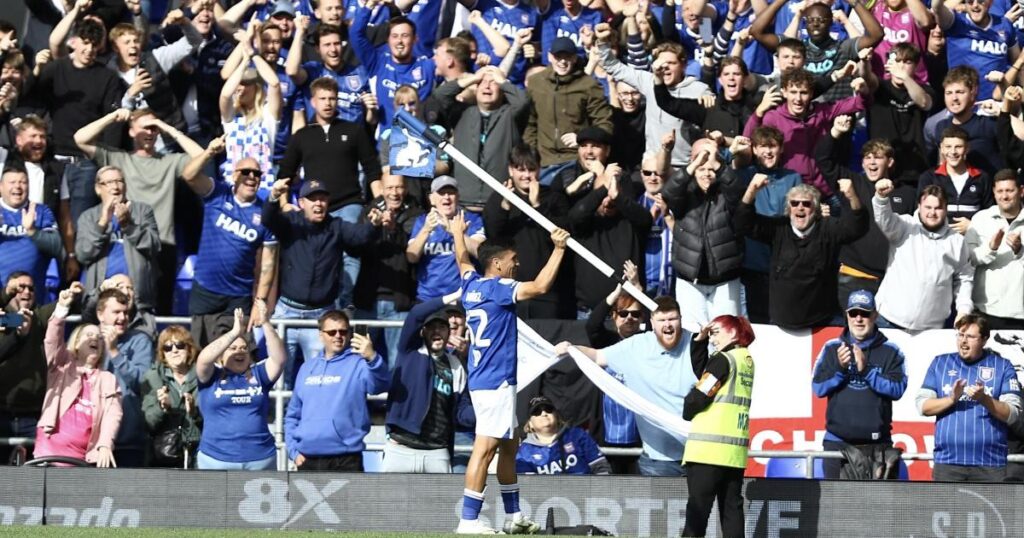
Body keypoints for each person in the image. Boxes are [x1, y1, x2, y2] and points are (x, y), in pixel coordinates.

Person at [451, 212, 570, 535]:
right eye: (513, 259)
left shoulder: (471, 286)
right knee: (485, 447)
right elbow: (542, 285)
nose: (517, 264)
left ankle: (513, 516)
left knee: (507, 446)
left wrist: (456, 233)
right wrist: (559, 248)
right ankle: (468, 520)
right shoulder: (499, 289)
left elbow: (463, 262)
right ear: (498, 265)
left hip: (488, 379)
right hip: (495, 380)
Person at [74, 107, 206, 315]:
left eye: (154, 129)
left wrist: (167, 128)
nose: (150, 132)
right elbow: (80, 139)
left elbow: (202, 156)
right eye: (145, 128)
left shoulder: (169, 161)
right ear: (131, 131)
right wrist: (112, 117)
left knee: (159, 313)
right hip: (129, 246)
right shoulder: (119, 159)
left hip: (162, 244)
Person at [263, 176, 383, 387]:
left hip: (320, 317)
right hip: (287, 312)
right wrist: (273, 196)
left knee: (320, 379)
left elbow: (359, 237)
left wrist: (373, 225)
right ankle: (279, 420)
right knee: (280, 377)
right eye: (312, 199)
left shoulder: (336, 226)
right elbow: (268, 219)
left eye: (322, 199)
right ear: (301, 203)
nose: (318, 203)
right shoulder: (291, 222)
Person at [559, 296, 695, 476]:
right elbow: (598, 356)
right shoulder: (636, 346)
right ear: (652, 322)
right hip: (658, 459)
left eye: (672, 319)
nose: (667, 325)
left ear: (680, 319)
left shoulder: (696, 343)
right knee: (659, 505)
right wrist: (571, 348)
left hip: (699, 452)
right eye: (662, 320)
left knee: (702, 505)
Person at [734, 177, 869, 329]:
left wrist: (852, 196)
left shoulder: (828, 229)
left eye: (806, 203)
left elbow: (857, 227)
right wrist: (751, 190)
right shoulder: (778, 228)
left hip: (822, 322)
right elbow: (743, 223)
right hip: (782, 324)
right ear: (788, 208)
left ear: (816, 208)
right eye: (794, 203)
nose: (800, 207)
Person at [179, 149, 278, 347]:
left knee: (239, 353)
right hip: (206, 290)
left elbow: (268, 264)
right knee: (201, 353)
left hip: (238, 296)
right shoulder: (218, 193)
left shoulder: (265, 213)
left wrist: (261, 302)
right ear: (234, 175)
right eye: (246, 172)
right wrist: (208, 153)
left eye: (257, 174)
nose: (252, 177)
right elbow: (188, 175)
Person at [811, 290, 908, 479]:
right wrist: (840, 369)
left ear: (875, 316)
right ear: (846, 315)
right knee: (836, 505)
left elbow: (897, 389)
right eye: (853, 313)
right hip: (837, 444)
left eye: (865, 313)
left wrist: (867, 371)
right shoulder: (831, 347)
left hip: (878, 446)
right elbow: (818, 388)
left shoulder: (891, 351)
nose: (858, 319)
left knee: (877, 507)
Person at [917, 314, 1023, 481]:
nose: (963, 341)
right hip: (948, 462)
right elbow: (923, 406)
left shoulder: (1003, 366)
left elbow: (1013, 414)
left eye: (970, 336)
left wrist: (984, 399)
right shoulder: (940, 363)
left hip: (990, 463)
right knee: (946, 508)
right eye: (960, 335)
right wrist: (951, 399)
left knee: (990, 508)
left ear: (984, 339)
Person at [680, 314, 756, 538]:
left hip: (708, 452)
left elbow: (701, 394)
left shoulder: (724, 359)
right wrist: (700, 340)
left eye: (715, 333)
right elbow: (705, 371)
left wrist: (687, 408)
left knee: (697, 515)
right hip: (733, 454)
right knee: (732, 511)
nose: (712, 339)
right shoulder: (745, 360)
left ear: (732, 333)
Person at [286, 309, 389, 471]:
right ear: (321, 335)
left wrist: (372, 357)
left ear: (349, 334)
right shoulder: (307, 368)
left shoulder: (360, 364)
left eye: (343, 331)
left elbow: (380, 386)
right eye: (332, 332)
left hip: (346, 458)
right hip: (308, 458)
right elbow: (293, 414)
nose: (338, 336)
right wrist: (293, 451)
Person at [383, 292, 475, 473]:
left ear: (448, 333)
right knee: (390, 502)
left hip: (437, 452)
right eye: (431, 327)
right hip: (401, 448)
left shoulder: (456, 366)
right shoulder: (409, 352)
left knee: (439, 502)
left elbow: (462, 412)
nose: (436, 331)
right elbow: (416, 314)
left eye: (442, 327)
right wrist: (454, 296)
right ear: (422, 332)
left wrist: (490, 411)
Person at [36, 282, 121, 467]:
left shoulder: (108, 379)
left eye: (99, 338)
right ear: (75, 343)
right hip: (48, 454)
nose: (95, 339)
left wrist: (105, 445)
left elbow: (112, 415)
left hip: (83, 461)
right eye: (88, 335)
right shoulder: (62, 366)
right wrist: (61, 309)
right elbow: (52, 342)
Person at [483, 144, 572, 319]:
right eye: (520, 169)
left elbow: (560, 234)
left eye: (531, 169)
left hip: (548, 292)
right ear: (510, 170)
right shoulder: (499, 197)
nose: (526, 175)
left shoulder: (554, 197)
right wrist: (505, 207)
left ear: (539, 169)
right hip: (511, 289)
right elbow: (493, 236)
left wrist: (537, 205)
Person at [872, 180, 974, 329]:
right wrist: (881, 198)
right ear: (919, 207)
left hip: (930, 328)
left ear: (946, 209)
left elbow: (964, 278)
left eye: (938, 208)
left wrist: (964, 310)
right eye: (927, 207)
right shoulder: (905, 226)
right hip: (888, 320)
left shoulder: (957, 241)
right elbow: (884, 220)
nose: (932, 213)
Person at [195, 306, 286, 470]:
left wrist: (265, 323)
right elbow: (203, 359)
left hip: (260, 458)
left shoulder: (259, 373)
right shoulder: (211, 375)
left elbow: (279, 359)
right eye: (233, 348)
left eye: (244, 348)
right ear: (221, 356)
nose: (240, 352)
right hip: (216, 459)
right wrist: (235, 332)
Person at [353, 173, 425, 367]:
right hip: (367, 302)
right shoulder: (368, 212)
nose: (395, 193)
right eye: (390, 188)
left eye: (399, 187)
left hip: (400, 303)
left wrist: (394, 229)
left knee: (398, 364)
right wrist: (373, 227)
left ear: (406, 189)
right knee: (359, 361)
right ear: (382, 190)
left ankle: (394, 399)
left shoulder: (417, 215)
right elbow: (356, 246)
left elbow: (412, 252)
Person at [434, 65, 530, 210]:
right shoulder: (461, 113)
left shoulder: (510, 115)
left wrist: (503, 81)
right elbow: (440, 95)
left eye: (493, 83)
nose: (487, 86)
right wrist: (473, 78)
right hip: (463, 201)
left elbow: (522, 102)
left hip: (498, 202)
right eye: (482, 82)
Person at [75, 165, 160, 320]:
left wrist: (128, 225)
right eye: (108, 182)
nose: (115, 187)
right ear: (98, 189)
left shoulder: (142, 211)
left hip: (138, 303)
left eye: (119, 181)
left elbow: (154, 246)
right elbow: (83, 254)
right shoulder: (88, 217)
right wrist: (102, 222)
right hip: (99, 301)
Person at [525, 37, 613, 181]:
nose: (563, 61)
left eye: (568, 57)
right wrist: (532, 153)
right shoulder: (536, 83)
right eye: (558, 57)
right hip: (543, 161)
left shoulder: (588, 85)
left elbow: (604, 125)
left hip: (575, 161)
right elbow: (530, 123)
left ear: (574, 58)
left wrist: (582, 139)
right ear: (549, 57)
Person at [95, 287, 153, 468]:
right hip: (91, 440)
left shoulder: (140, 340)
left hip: (128, 439)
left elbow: (142, 382)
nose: (122, 318)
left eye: (125, 312)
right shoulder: (88, 338)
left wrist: (114, 352)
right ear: (100, 314)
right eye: (116, 312)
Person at [0, 272, 55, 463]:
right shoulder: (3, 319)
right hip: (2, 413)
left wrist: (73, 294)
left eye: (31, 288)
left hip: (32, 416)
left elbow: (66, 305)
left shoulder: (38, 318)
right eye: (19, 288)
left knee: (33, 480)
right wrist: (15, 330)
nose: (26, 292)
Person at [407, 176, 486, 302]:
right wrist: (426, 229)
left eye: (451, 192)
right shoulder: (422, 221)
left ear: (458, 196)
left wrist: (454, 231)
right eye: (441, 193)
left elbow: (480, 252)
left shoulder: (471, 219)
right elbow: (412, 257)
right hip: (429, 298)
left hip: (462, 297)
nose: (446, 197)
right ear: (432, 199)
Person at [965, 170, 1024, 329]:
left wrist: (1020, 251)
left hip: (1020, 314)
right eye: (1000, 191)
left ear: (1021, 191)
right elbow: (969, 259)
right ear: (994, 192)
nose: (1004, 196)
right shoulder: (981, 218)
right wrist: (991, 248)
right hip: (986, 311)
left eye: (1009, 190)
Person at [141, 325, 202, 468]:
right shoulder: (153, 377)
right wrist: (162, 407)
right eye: (168, 347)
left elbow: (215, 419)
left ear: (189, 348)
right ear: (162, 353)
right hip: (165, 454)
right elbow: (148, 422)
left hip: (199, 451)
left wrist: (194, 412)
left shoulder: (203, 375)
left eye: (180, 345)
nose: (174, 350)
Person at [515, 396, 610, 475]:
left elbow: (601, 468)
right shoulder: (524, 452)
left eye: (548, 410)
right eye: (537, 412)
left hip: (585, 495)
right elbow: (528, 487)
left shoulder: (577, 435)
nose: (544, 414)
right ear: (530, 424)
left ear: (556, 416)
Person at [0, 166, 60, 291]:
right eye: (12, 182)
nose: (18, 186)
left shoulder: (41, 211)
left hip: (34, 292)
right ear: (1, 187)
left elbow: (57, 247)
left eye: (23, 182)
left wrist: (32, 231)